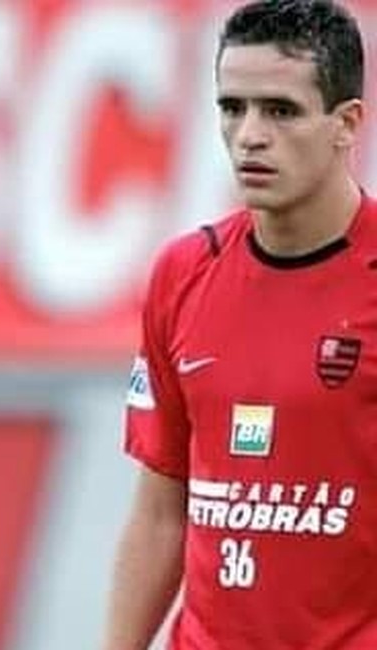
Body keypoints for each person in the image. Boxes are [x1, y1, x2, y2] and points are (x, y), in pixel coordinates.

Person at [103, 1, 375, 648]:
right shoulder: (182, 274)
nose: (250, 134)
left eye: (280, 111)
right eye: (233, 107)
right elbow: (159, 515)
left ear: (347, 125)